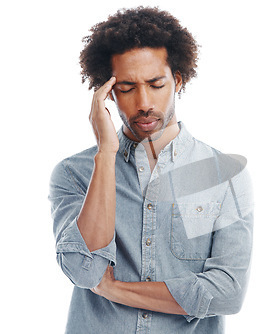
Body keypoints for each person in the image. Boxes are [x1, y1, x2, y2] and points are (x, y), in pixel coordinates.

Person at [48, 7, 253, 333]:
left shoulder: (223, 175)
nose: (144, 101)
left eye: (156, 84)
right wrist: (106, 154)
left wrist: (114, 289)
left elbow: (228, 294)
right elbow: (85, 272)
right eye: (127, 88)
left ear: (178, 80)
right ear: (108, 92)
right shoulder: (74, 173)